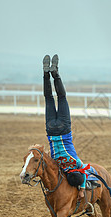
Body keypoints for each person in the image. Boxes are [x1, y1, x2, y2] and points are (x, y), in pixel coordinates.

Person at [43, 54, 89, 199]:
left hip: (64, 128)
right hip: (50, 130)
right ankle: (45, 74)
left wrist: (81, 189)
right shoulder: (57, 165)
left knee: (62, 97)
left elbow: (84, 172)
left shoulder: (76, 161)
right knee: (49, 98)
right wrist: (79, 191)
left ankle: (55, 74)